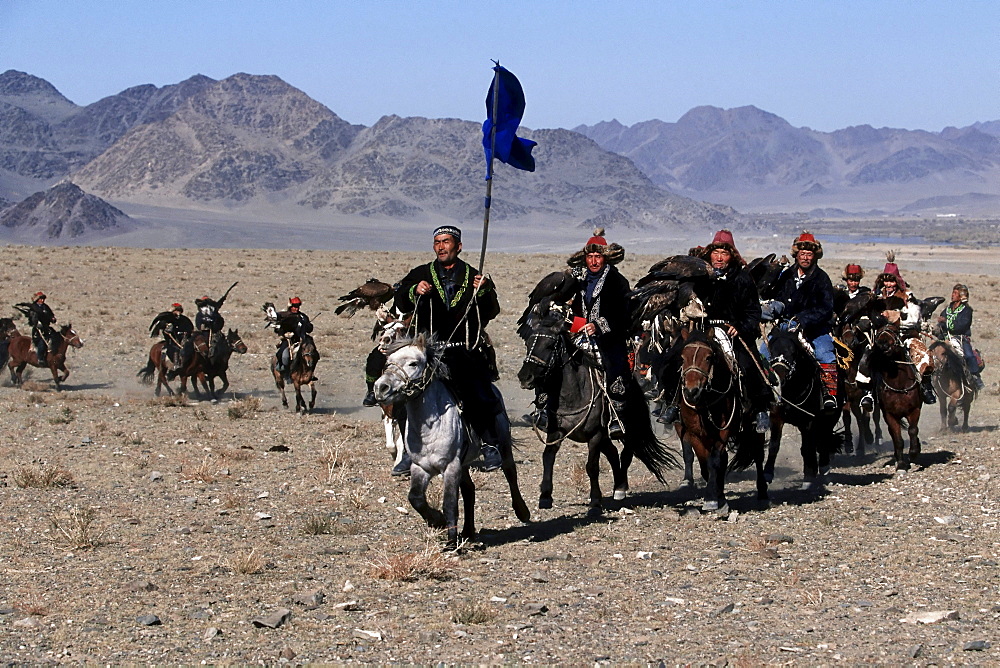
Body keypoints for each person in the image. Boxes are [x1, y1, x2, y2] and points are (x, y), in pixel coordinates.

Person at [393, 225, 503, 472]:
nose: (441, 247)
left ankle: (489, 444)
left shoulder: (474, 275)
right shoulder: (421, 274)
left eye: (446, 242)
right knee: (403, 390)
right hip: (427, 349)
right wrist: (413, 291)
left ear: (459, 246)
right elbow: (399, 299)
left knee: (476, 389)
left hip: (462, 348)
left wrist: (484, 292)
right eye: (437, 242)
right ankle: (408, 452)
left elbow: (491, 311)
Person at [681, 230, 770, 431]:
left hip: (733, 333)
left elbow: (753, 312)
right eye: (716, 252)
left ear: (732, 256)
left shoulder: (742, 279)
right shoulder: (700, 276)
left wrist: (740, 327)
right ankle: (668, 403)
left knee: (749, 365)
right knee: (675, 357)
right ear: (709, 254)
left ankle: (760, 409)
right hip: (703, 331)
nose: (719, 257)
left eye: (724, 253)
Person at [566, 228, 632, 439]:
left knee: (614, 364)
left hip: (609, 337)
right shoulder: (577, 279)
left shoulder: (617, 281)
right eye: (590, 257)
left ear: (605, 258)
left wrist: (597, 326)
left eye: (598, 257)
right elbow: (570, 306)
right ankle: (545, 407)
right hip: (579, 333)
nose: (594, 261)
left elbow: (623, 313)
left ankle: (616, 416)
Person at [762, 232, 839, 411]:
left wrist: (803, 320)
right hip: (784, 327)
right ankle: (763, 393)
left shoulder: (822, 278)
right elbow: (775, 295)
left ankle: (829, 394)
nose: (805, 258)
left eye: (809, 254)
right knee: (763, 352)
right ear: (796, 254)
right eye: (802, 254)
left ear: (815, 256)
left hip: (814, 329)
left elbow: (826, 307)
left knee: (824, 353)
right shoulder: (786, 275)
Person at [870, 257, 936, 404]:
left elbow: (914, 318)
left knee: (924, 356)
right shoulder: (877, 297)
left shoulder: (907, 297)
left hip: (905, 335)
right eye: (886, 281)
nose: (888, 285)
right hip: (882, 336)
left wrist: (896, 316)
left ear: (897, 282)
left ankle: (926, 387)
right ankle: (868, 391)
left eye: (891, 281)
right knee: (866, 357)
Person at [938, 283, 985, 390]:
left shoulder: (967, 311)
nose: (952, 295)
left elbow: (961, 325)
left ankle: (975, 376)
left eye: (955, 293)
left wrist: (946, 321)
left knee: (969, 355)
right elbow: (941, 320)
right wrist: (939, 325)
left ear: (961, 296)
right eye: (953, 292)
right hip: (945, 337)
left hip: (960, 338)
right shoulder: (948, 309)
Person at [274, 297, 314, 378]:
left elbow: (309, 330)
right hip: (289, 340)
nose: (296, 308)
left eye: (298, 306)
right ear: (290, 306)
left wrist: (308, 326)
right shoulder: (283, 316)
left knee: (312, 353)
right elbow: (277, 329)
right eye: (294, 306)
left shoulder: (303, 316)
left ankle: (311, 373)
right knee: (284, 355)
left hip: (302, 340)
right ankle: (284, 369)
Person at [149, 303, 194, 371]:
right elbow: (162, 327)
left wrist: (187, 334)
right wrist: (167, 328)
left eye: (179, 310)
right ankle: (176, 364)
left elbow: (189, 328)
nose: (178, 312)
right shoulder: (167, 318)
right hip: (172, 340)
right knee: (175, 349)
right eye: (177, 310)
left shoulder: (184, 319)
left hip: (183, 339)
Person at [23, 291, 57, 362]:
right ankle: (40, 358)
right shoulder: (34, 307)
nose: (42, 300)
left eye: (43, 299)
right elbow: (32, 318)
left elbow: (50, 314)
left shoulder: (45, 307)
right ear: (37, 299)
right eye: (40, 299)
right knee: (42, 342)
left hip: (46, 327)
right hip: (38, 329)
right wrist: (37, 323)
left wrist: (53, 319)